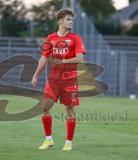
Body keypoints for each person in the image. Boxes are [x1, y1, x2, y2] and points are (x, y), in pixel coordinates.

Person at [31, 8, 87, 151]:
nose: (71, 22)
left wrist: (63, 62)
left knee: (70, 109)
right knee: (45, 106)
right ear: (60, 20)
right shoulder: (51, 38)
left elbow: (80, 58)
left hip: (69, 81)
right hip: (53, 80)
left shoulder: (75, 38)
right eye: (68, 19)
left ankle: (68, 142)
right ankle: (48, 140)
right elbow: (43, 58)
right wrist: (36, 74)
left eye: (71, 20)